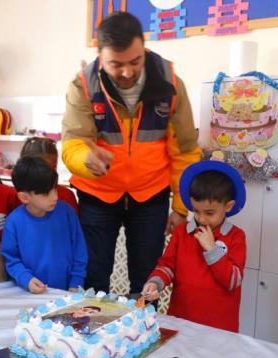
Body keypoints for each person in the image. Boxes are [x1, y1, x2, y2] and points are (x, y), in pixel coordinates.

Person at [61, 11, 201, 294]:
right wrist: (87, 160)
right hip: (98, 194)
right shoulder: (83, 86)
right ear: (100, 56)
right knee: (94, 276)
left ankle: (143, 334)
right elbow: (73, 142)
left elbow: (185, 150)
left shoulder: (170, 83)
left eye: (135, 61)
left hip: (151, 195)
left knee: (147, 281)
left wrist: (181, 208)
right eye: (116, 64)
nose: (127, 72)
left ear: (143, 48)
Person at [142, 161, 246, 332]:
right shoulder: (182, 233)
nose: (202, 219)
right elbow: (167, 265)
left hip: (220, 327)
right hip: (180, 321)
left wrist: (212, 250)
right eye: (196, 211)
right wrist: (156, 282)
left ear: (228, 206)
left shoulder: (236, 236)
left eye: (210, 213)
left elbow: (233, 281)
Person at [1, 156, 88, 293]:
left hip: (68, 291)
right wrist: (27, 280)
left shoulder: (66, 212)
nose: (55, 196)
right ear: (24, 197)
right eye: (46, 193)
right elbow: (12, 260)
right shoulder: (14, 222)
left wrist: (76, 281)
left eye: (55, 188)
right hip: (30, 293)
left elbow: (79, 250)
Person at [20, 136, 78, 213]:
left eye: (54, 166)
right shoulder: (17, 197)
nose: (49, 173)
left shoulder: (66, 196)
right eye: (42, 168)